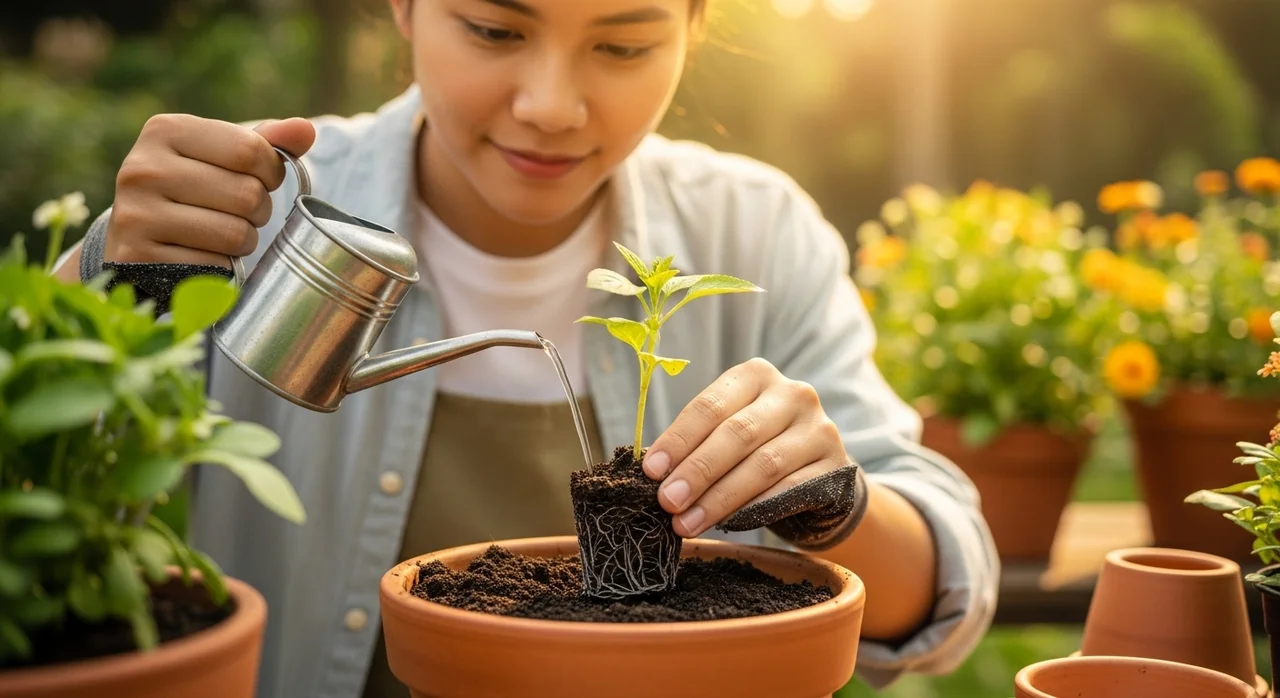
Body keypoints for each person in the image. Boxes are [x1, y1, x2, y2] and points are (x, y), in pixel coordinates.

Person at [54, 0, 998, 695]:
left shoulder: (752, 234)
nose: (551, 105)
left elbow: (941, 585)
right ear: (407, 11)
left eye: (623, 44)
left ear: (693, 31)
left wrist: (834, 506)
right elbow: (39, 506)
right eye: (496, 30)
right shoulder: (249, 223)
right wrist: (101, 281)